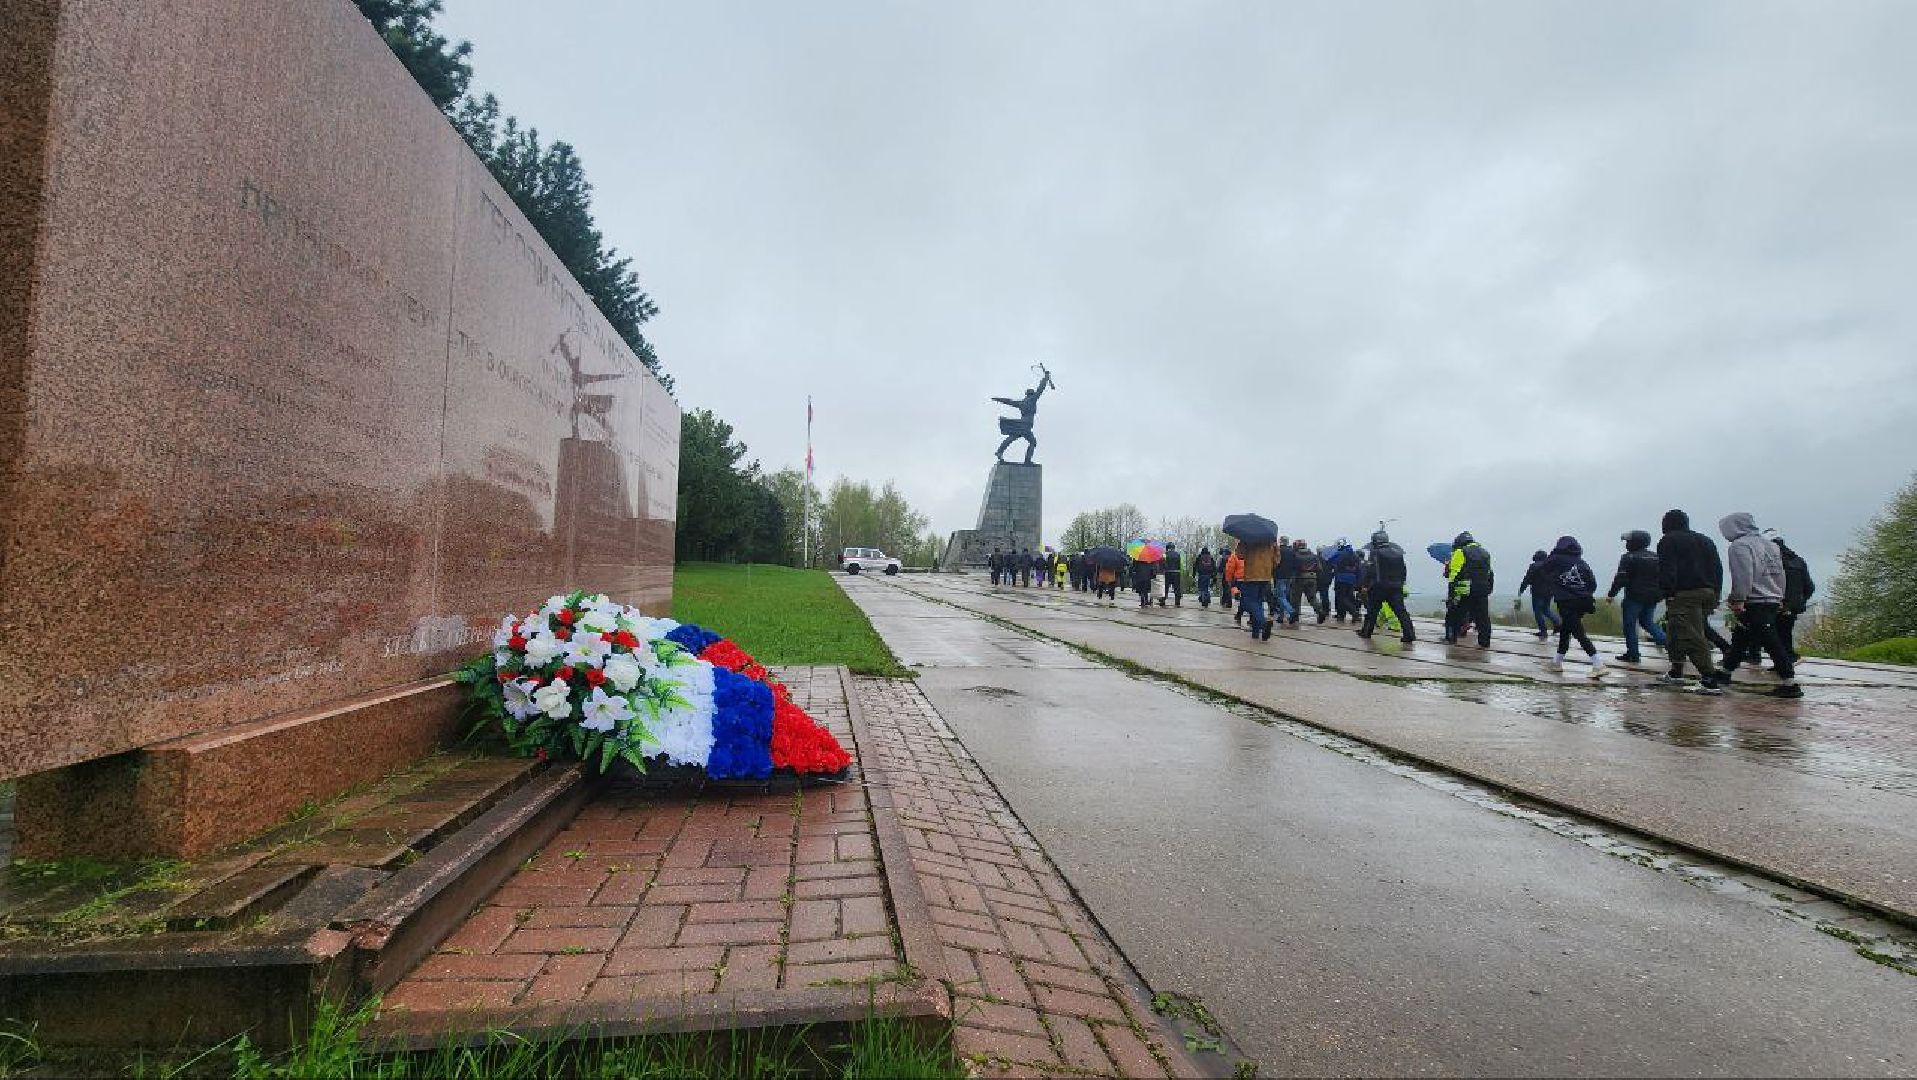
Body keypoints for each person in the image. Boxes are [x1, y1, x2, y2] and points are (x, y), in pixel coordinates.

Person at [1717, 513, 1803, 698]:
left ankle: (1789, 682)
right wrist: (1779, 595)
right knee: (1741, 638)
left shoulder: (1739, 546)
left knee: (1771, 641)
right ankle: (1725, 673)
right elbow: (1780, 573)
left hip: (1755, 599)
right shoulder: (1771, 545)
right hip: (1772, 598)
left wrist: (1738, 598)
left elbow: (1743, 573)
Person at [1656, 509, 1725, 692]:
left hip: (1684, 594)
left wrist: (1668, 592)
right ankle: (1676, 671)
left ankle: (1709, 678)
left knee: (1690, 634)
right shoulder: (1705, 540)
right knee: (1674, 631)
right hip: (1708, 592)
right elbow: (1718, 568)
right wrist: (1716, 593)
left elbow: (1667, 568)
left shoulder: (1668, 540)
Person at [1539, 536, 1604, 677]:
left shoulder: (1555, 559)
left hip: (1566, 601)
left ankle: (1598, 664)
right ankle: (1557, 662)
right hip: (1584, 601)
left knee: (1578, 632)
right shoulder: (1582, 562)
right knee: (1565, 629)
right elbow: (1593, 583)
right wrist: (1582, 592)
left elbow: (1543, 570)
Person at [1607, 530, 1666, 664]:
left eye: (1628, 541)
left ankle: (1633, 654)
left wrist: (1611, 594)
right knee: (1648, 623)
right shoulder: (1656, 557)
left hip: (1634, 597)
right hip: (1652, 597)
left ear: (1634, 542)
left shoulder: (1628, 557)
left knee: (1630, 625)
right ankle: (1671, 646)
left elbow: (1621, 578)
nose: (1627, 544)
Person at [1357, 530, 1416, 643]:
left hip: (1379, 587)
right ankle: (1409, 634)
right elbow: (1404, 570)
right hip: (1396, 587)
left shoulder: (1375, 552)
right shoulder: (1398, 553)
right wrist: (1401, 583)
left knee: (1372, 611)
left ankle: (1366, 632)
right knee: (1401, 612)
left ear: (1375, 540)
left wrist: (1365, 585)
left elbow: (1370, 570)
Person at [1443, 532, 1494, 647]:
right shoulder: (1485, 553)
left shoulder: (1460, 552)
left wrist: (1451, 593)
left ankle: (1451, 637)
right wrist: (1489, 588)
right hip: (1482, 590)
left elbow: (1454, 575)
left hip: (1464, 590)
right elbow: (1489, 573)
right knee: (1483, 617)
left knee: (1454, 614)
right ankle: (1484, 642)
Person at [1775, 537, 1815, 665]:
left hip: (1778, 604)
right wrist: (1800, 600)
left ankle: (1788, 660)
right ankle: (1786, 661)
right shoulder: (1799, 561)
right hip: (1794, 605)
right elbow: (1809, 586)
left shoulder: (1775, 563)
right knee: (1785, 633)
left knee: (1776, 635)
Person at [1237, 538, 1278, 640]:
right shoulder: (1271, 540)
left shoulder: (1248, 538)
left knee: (1250, 602)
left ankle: (1263, 624)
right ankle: (1256, 633)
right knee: (1258, 602)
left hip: (1252, 575)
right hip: (1266, 576)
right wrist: (1268, 567)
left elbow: (1239, 555)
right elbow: (1277, 560)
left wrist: (1241, 543)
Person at [1516, 550, 1558, 639]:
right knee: (1546, 610)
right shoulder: (1551, 566)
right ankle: (1558, 624)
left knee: (1538, 612)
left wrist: (1521, 590)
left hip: (1538, 592)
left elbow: (1527, 579)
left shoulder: (1534, 566)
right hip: (1550, 592)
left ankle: (1543, 632)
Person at [1289, 540, 1328, 625]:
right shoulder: (1313, 556)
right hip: (1312, 577)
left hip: (1299, 578)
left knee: (1296, 599)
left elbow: (1291, 568)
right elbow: (1319, 569)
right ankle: (1320, 611)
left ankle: (1295, 617)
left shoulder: (1295, 555)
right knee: (1312, 598)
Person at [1328, 538, 1362, 622]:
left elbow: (1330, 560)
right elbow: (1358, 569)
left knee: (1342, 597)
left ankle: (1353, 612)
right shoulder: (1355, 555)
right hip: (1352, 579)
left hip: (1341, 578)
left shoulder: (1340, 553)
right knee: (1349, 597)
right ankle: (1346, 614)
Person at [1272, 536, 1297, 626]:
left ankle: (1292, 612)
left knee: (1280, 597)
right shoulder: (1292, 551)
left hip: (1280, 576)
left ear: (1281, 541)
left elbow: (1274, 562)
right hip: (1289, 577)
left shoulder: (1279, 551)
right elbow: (1295, 564)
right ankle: (1281, 617)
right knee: (1284, 597)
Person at [1225, 546, 1245, 623]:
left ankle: (1239, 614)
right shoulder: (1250, 554)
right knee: (1247, 598)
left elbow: (1229, 569)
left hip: (1238, 581)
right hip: (1249, 580)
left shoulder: (1234, 556)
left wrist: (1229, 580)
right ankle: (1251, 617)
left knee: (1238, 598)